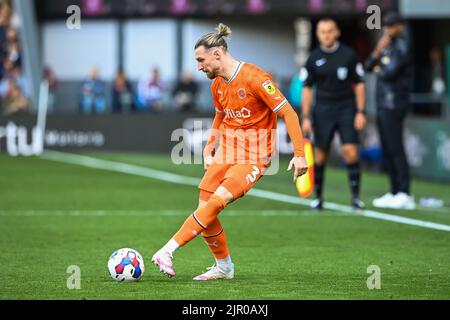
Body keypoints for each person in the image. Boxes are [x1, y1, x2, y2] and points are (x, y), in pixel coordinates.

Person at [151, 23, 308, 280]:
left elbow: (288, 112)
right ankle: (224, 267)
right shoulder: (217, 85)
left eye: (201, 60)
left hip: (255, 155)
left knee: (215, 203)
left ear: (217, 54)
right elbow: (220, 116)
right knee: (205, 209)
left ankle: (167, 250)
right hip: (228, 151)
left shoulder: (256, 78)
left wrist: (299, 153)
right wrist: (210, 146)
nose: (199, 67)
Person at [300, 18, 367, 211]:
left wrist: (361, 111)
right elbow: (307, 88)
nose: (326, 35)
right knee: (320, 155)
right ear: (317, 34)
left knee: (351, 152)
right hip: (323, 110)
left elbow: (360, 83)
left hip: (346, 108)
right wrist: (305, 116)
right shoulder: (313, 57)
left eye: (329, 31)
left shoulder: (349, 55)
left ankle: (355, 197)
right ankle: (319, 198)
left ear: (336, 32)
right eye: (322, 32)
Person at [365, 12, 415, 210]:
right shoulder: (388, 45)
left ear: (399, 26)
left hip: (395, 103)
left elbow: (388, 73)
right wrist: (378, 51)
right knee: (387, 147)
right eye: (385, 25)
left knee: (396, 147)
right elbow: (369, 67)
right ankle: (394, 190)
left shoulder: (403, 45)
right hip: (383, 103)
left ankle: (404, 192)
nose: (387, 29)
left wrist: (379, 67)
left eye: (390, 25)